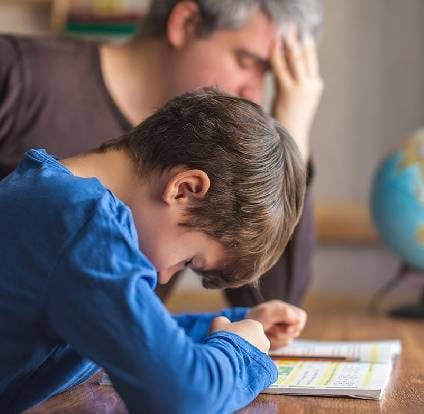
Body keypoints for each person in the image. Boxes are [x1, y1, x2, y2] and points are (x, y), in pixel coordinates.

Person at [0, 89, 306, 413]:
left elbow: (130, 334)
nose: (163, 276)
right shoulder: (80, 223)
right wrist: (241, 350)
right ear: (185, 190)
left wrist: (236, 321)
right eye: (188, 261)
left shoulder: (54, 200)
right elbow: (183, 399)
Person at [0, 0, 323, 306]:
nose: (253, 93)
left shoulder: (210, 153)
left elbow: (268, 307)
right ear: (186, 23)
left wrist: (292, 133)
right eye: (246, 62)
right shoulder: (16, 73)